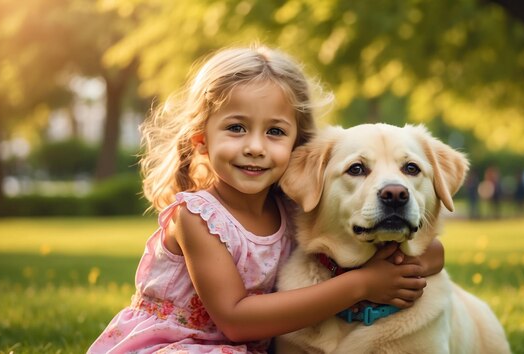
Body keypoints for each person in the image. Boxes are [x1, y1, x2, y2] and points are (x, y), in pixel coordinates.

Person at [88, 45, 445, 354]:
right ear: (201, 140)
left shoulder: (293, 205)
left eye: (274, 132)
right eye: (236, 128)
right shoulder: (196, 217)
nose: (255, 147)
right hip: (180, 344)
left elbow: (433, 252)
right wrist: (361, 285)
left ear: (295, 144)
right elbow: (236, 320)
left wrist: (416, 262)